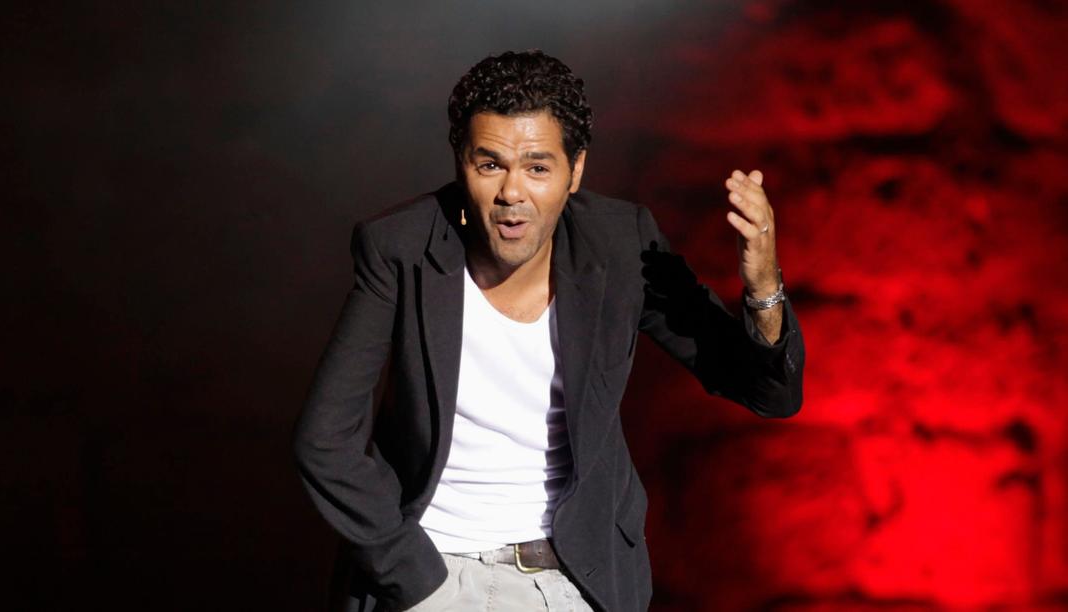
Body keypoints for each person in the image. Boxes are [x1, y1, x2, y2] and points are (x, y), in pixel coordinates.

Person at [293, 50, 804, 612]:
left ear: (575, 171)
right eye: (490, 165)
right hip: (430, 572)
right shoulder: (402, 248)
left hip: (567, 579)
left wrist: (763, 285)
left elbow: (769, 393)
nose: (512, 193)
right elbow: (325, 441)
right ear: (461, 163)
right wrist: (416, 580)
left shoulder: (621, 244)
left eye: (537, 168)